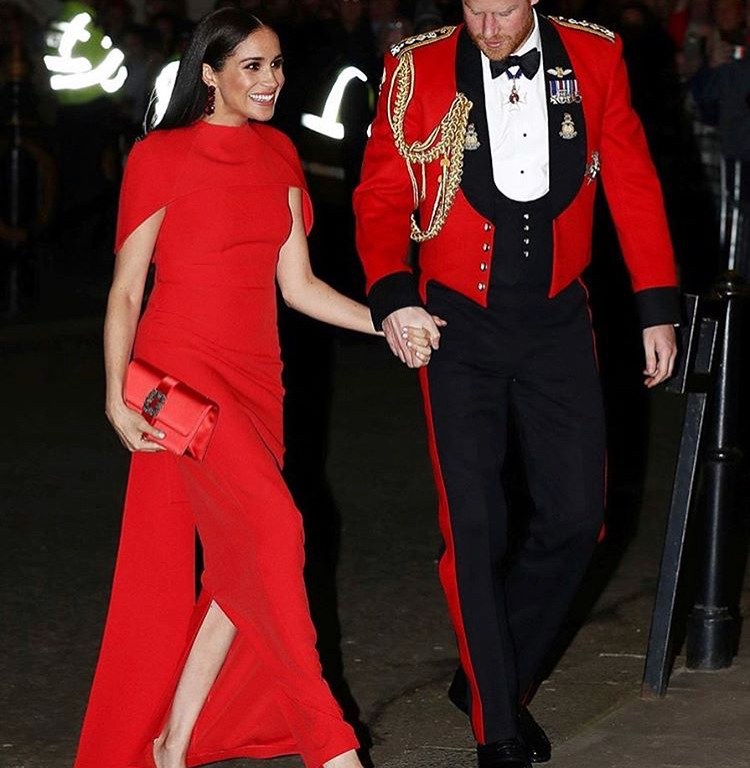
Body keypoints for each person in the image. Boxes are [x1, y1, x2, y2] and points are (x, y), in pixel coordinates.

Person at [73, 9, 434, 768]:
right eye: (253, 67)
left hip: (258, 381)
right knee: (278, 528)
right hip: (179, 380)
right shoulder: (160, 156)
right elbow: (126, 292)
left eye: (276, 66)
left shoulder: (279, 154)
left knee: (243, 561)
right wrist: (116, 392)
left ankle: (175, 740)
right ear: (209, 73)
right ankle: (331, 745)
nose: (271, 80)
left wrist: (390, 320)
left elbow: (298, 287)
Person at [353, 1, 679, 766]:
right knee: (474, 529)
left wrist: (656, 305)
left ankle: (487, 674)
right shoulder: (415, 68)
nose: (488, 26)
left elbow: (631, 178)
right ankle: (496, 727)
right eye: (474, 7)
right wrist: (393, 293)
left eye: (502, 9)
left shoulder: (595, 58)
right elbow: (380, 195)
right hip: (455, 326)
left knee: (577, 519)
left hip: (560, 320)